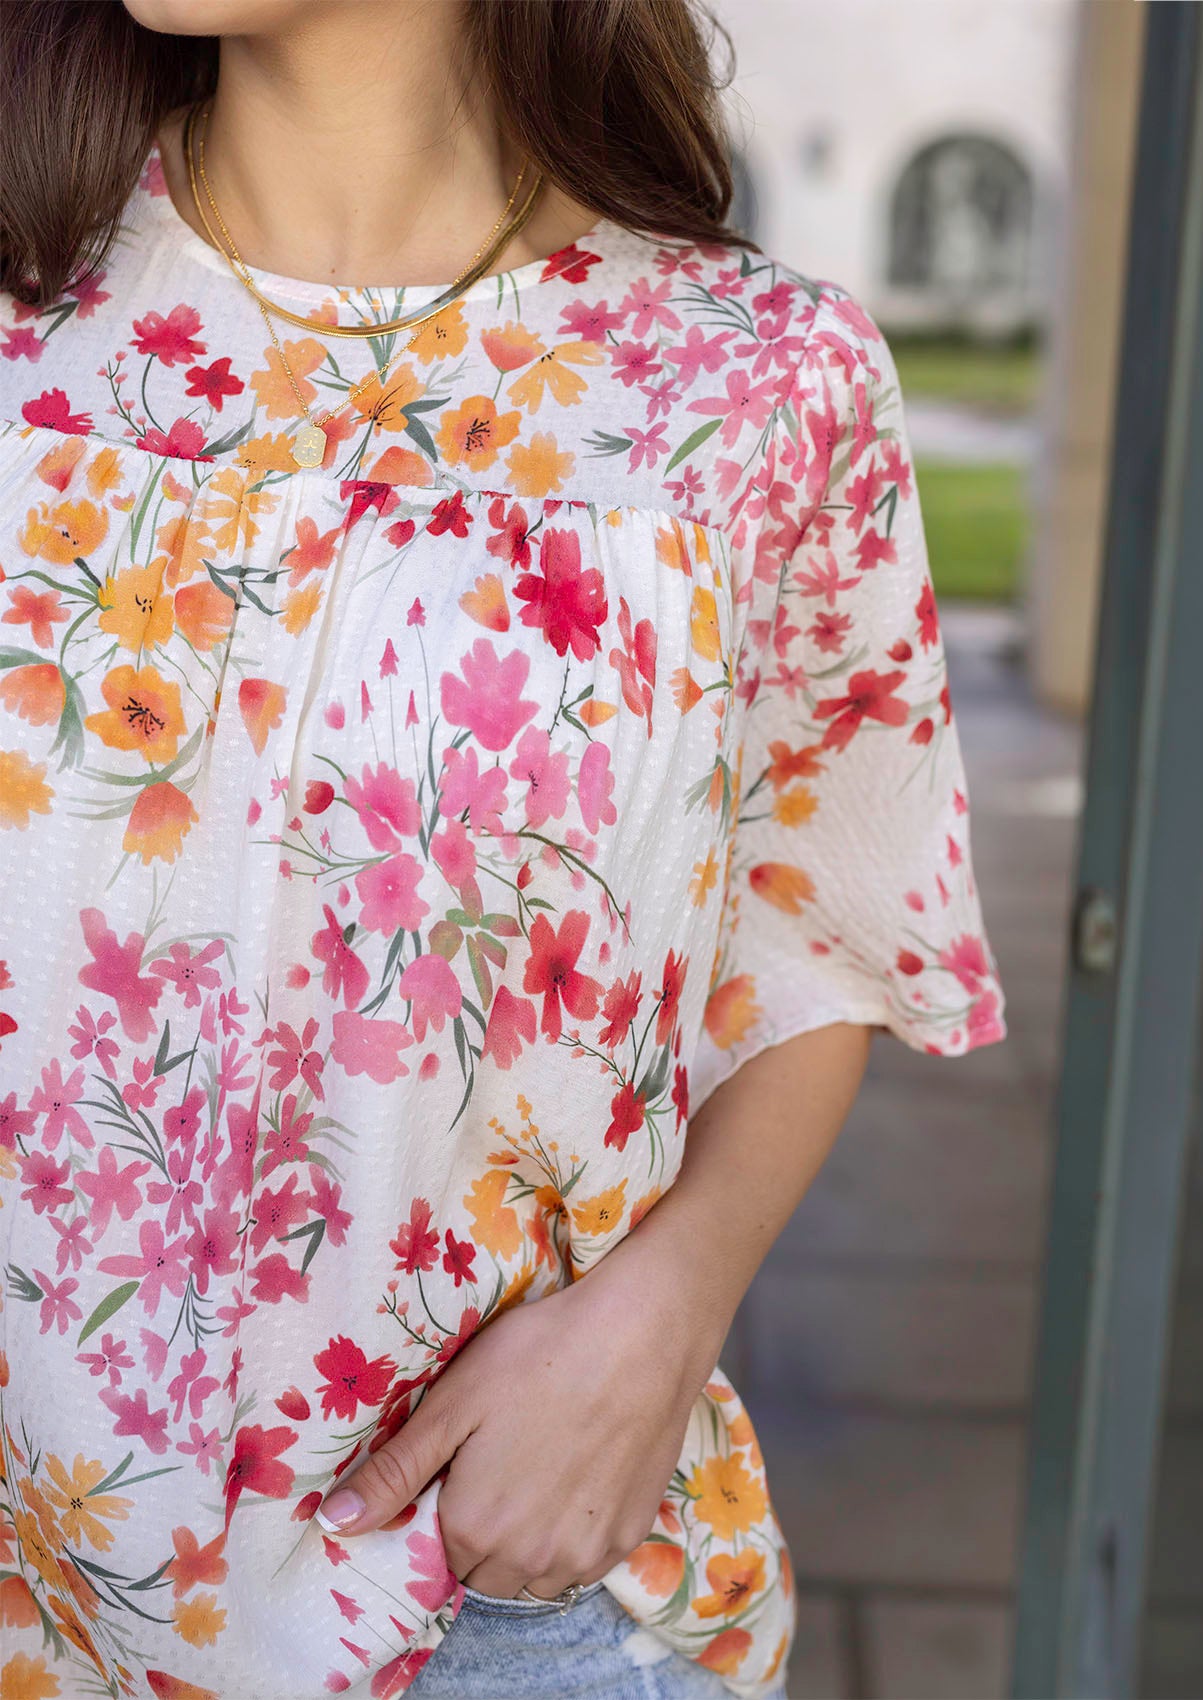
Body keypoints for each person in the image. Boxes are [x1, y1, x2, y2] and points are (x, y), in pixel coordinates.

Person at [0, 2, 1007, 1697]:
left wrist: (670, 1308)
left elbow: (821, 927)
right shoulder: (31, 347)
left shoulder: (753, 383)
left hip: (478, 1606)